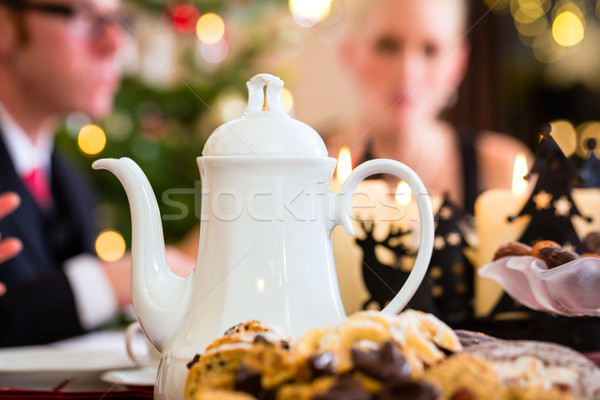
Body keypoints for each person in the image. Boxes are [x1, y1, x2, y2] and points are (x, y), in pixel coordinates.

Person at [0, 0, 194, 346]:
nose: (115, 43)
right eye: (86, 17)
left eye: (119, 21)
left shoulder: (69, 181)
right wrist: (106, 282)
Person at [329, 0, 531, 213]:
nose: (408, 71)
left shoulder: (503, 173)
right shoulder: (306, 164)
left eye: (430, 50)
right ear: (349, 52)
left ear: (458, 63)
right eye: (388, 45)